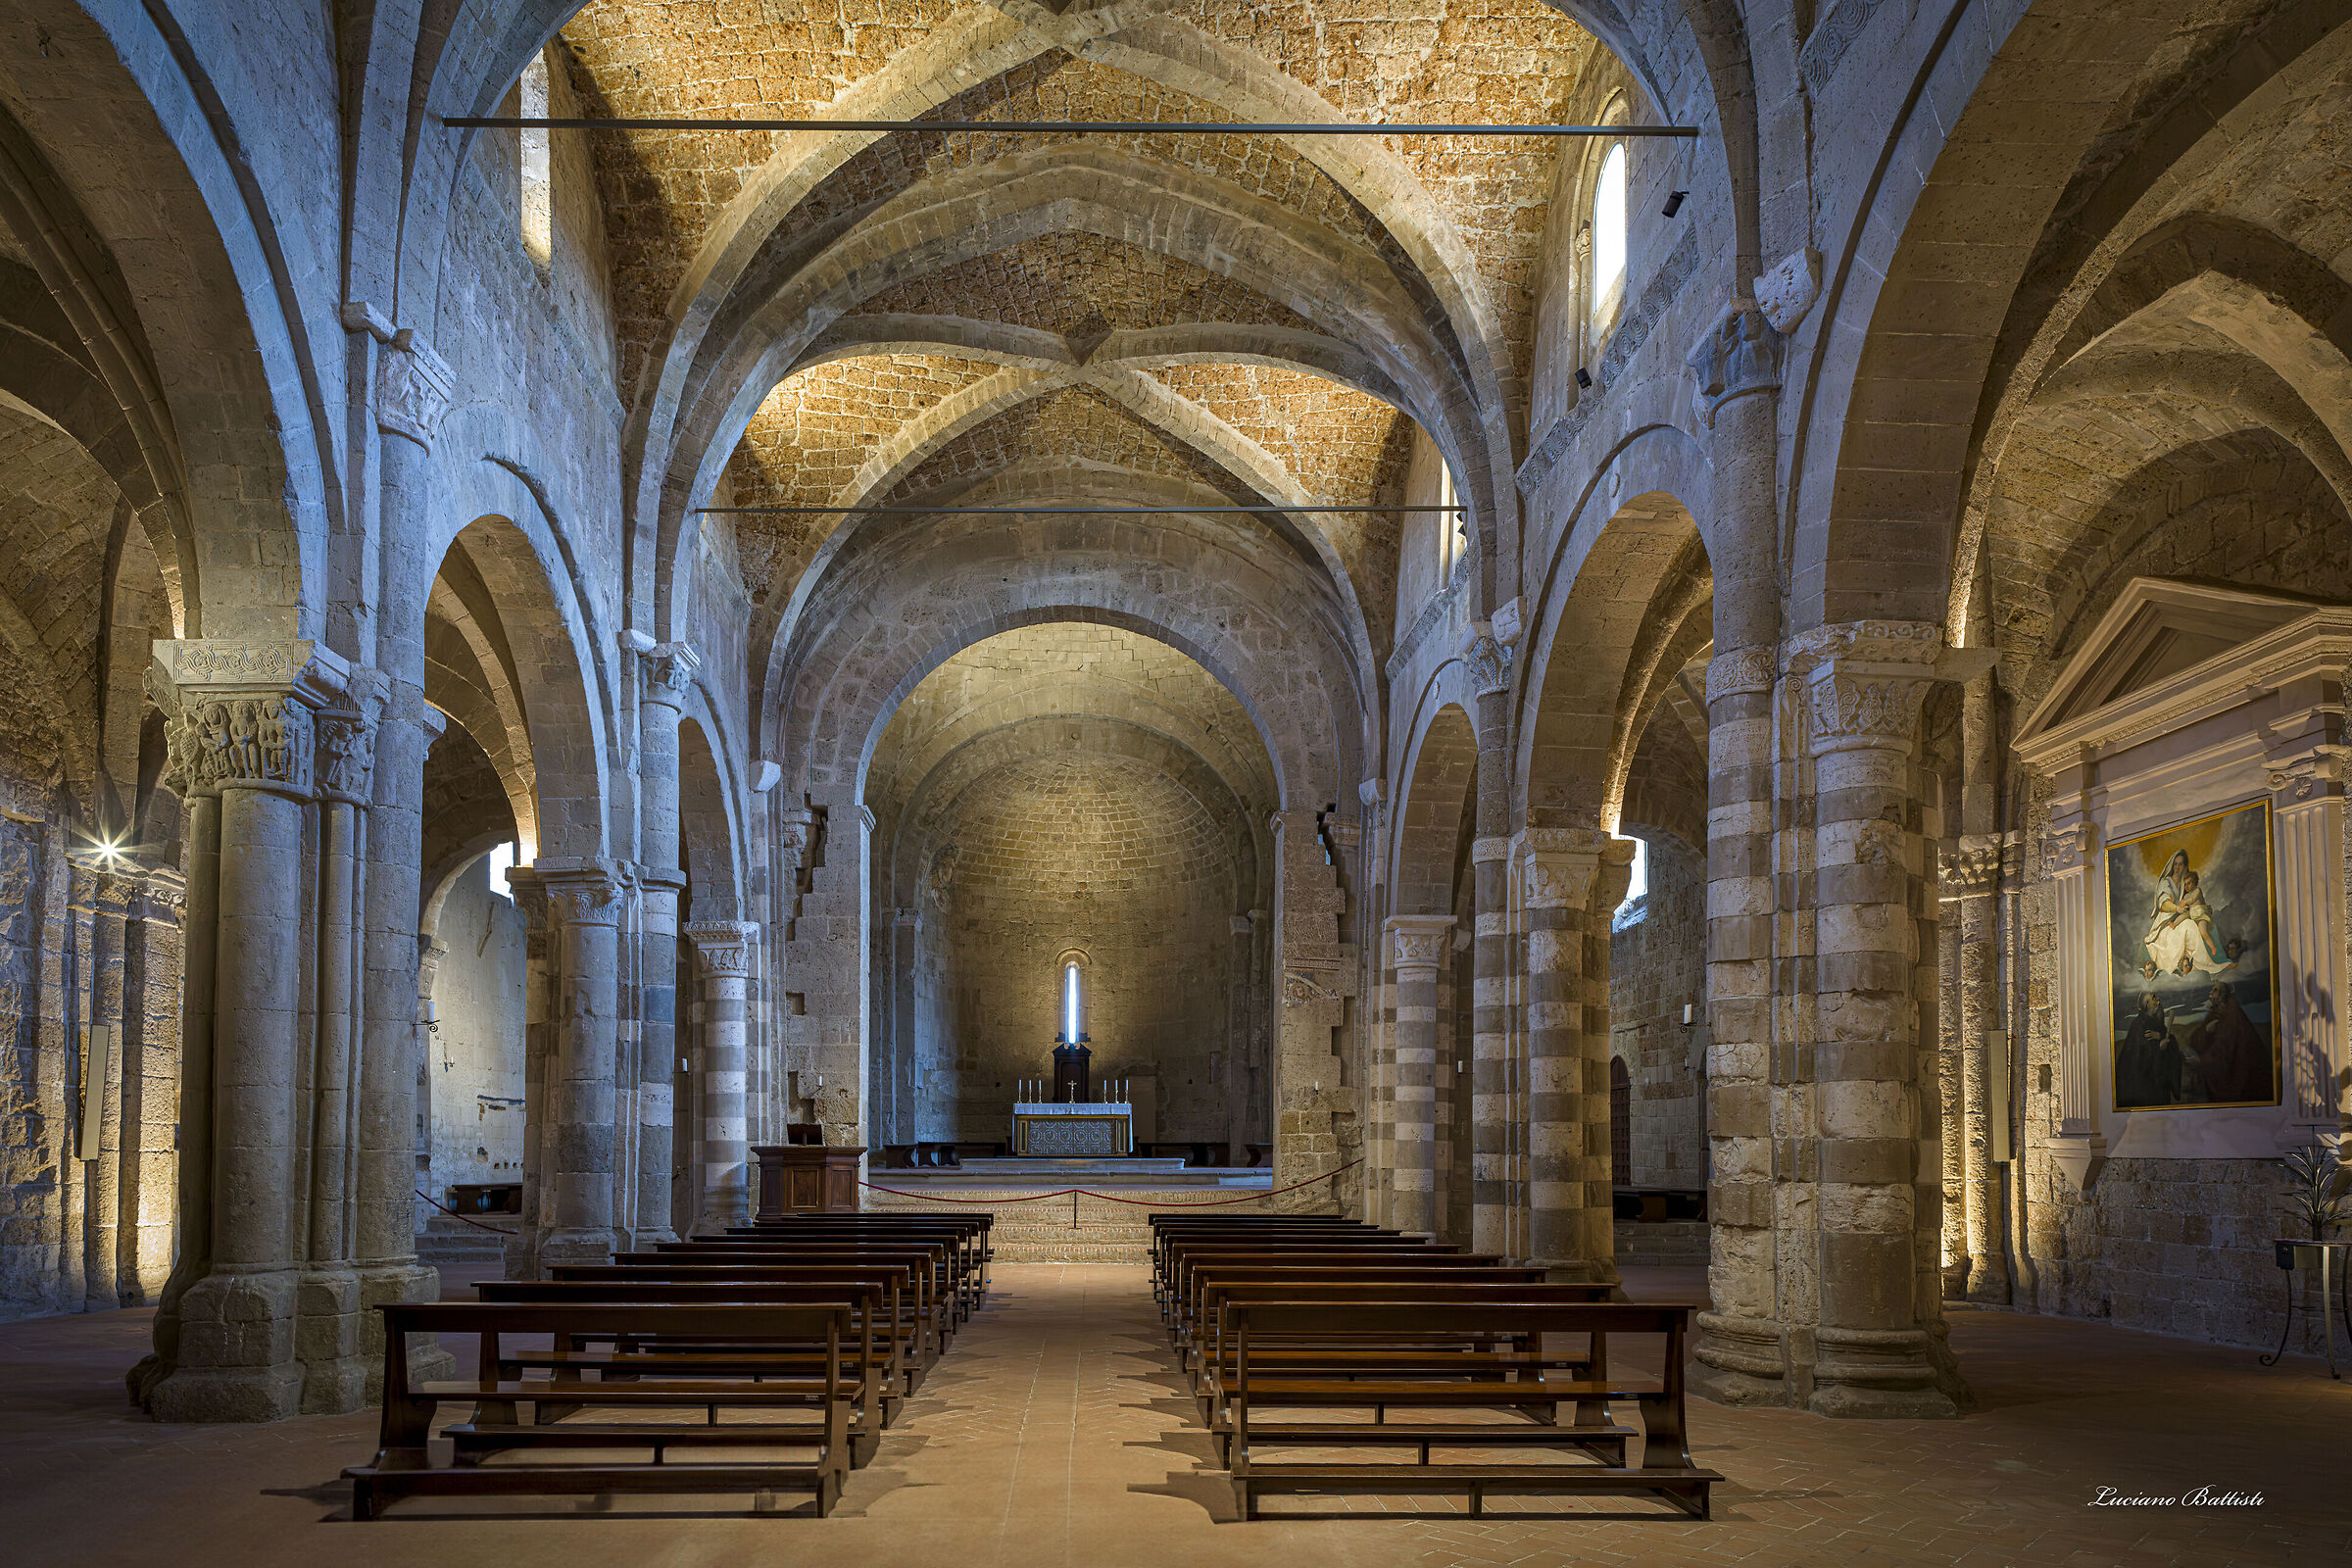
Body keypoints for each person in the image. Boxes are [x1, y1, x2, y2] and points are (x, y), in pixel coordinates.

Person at [2187, 983, 2272, 1104]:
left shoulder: (2233, 1014)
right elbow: (2194, 1040)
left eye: (2215, 990)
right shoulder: (2216, 1013)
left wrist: (2201, 1061)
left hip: (2238, 1073)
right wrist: (2206, 1030)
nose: (2211, 993)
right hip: (2224, 1070)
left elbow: (2224, 1048)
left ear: (2223, 995)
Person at [2115, 992, 2182, 1108]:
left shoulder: (2155, 1022)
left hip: (2158, 1079)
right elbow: (2139, 1053)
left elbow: (2167, 1038)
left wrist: (2161, 1036)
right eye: (2154, 998)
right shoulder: (2139, 1024)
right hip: (2144, 1082)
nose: (2158, 999)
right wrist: (2159, 1047)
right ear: (2147, 1005)